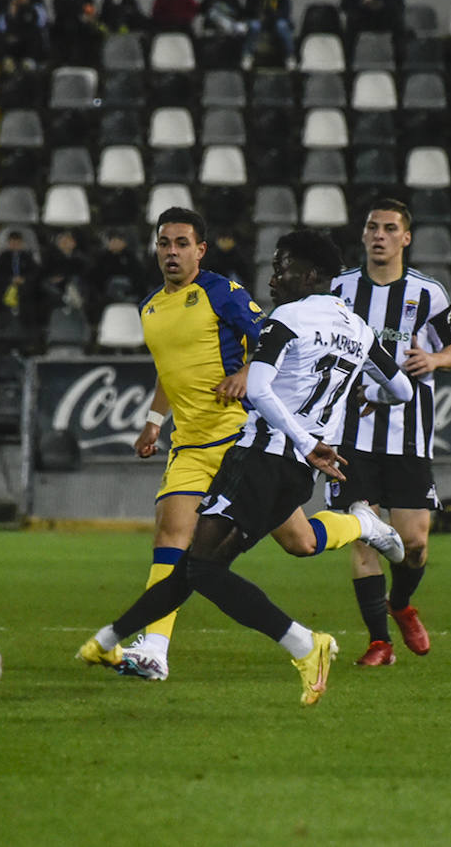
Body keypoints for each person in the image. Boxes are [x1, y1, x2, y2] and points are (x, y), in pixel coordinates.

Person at [79, 228, 415, 705]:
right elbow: (401, 389)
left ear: (311, 275)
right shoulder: (359, 328)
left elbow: (257, 389)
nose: (274, 278)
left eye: (283, 268)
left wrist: (302, 439)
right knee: (209, 562)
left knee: (203, 570)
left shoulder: (288, 318)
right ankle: (108, 642)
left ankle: (304, 644)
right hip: (296, 471)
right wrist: (367, 397)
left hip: (261, 456)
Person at [327, 197, 451, 667]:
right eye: (372, 228)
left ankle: (402, 604)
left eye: (389, 228)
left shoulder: (429, 293)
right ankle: (378, 642)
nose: (379, 235)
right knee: (363, 535)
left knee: (415, 543)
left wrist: (434, 359)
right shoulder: (339, 288)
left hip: (409, 435)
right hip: (350, 434)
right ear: (363, 235)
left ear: (406, 238)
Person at [0, 229, 41, 347]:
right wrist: (10, 280)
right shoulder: (3, 259)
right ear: (8, 243)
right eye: (12, 242)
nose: (15, 245)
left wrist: (24, 280)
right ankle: (4, 338)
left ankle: (28, 341)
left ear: (22, 243)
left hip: (25, 294)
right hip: (6, 293)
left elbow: (35, 275)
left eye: (17, 242)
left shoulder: (27, 258)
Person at [241, 0, 296, 71]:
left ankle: (289, 56)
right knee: (254, 26)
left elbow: (286, 11)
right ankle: (247, 56)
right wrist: (258, 15)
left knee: (282, 26)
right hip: (260, 21)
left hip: (276, 21)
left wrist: (272, 16)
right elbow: (248, 10)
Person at [51, 0, 100, 65]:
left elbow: (90, 10)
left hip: (81, 28)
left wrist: (89, 17)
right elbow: (58, 9)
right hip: (64, 27)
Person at [0, 0, 50, 72]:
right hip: (12, 52)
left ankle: (30, 60)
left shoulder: (34, 11)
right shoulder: (5, 14)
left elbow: (36, 32)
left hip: (30, 53)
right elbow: (1, 35)